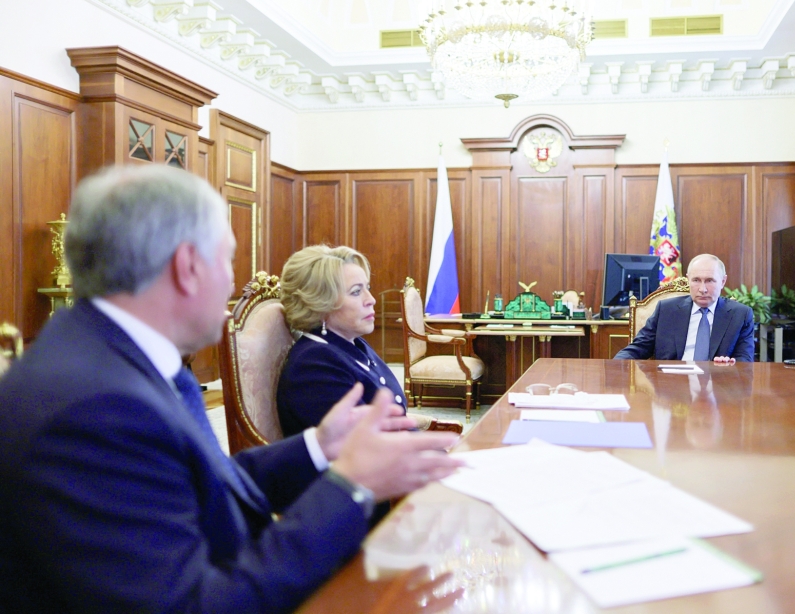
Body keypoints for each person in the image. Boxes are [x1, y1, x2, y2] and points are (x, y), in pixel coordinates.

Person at [0, 165, 462, 613]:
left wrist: (319, 446)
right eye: (228, 259)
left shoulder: (120, 358)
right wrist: (350, 487)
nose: (231, 281)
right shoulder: (95, 410)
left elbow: (208, 481)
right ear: (188, 267)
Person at [276, 245, 412, 437]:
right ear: (320, 303)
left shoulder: (351, 343)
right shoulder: (314, 365)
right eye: (356, 292)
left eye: (368, 288)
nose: (371, 299)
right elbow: (366, 446)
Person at [614, 253, 755, 363]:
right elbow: (638, 349)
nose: (702, 289)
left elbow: (745, 359)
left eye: (710, 280)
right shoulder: (666, 310)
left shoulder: (740, 315)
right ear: (688, 279)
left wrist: (731, 364)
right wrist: (615, 366)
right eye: (696, 280)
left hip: (717, 388)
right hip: (670, 388)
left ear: (723, 281)